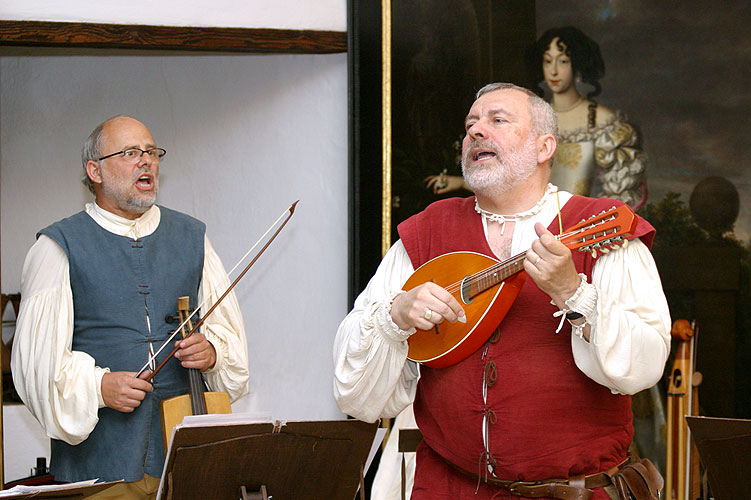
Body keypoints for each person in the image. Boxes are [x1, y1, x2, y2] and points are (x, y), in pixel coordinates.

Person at [334, 83, 670, 499]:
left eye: (497, 120)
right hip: (447, 490)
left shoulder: (599, 227)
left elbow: (643, 365)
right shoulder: (424, 233)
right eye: (470, 124)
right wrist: (396, 314)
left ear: (545, 146)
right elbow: (353, 390)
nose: (476, 131)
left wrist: (574, 294)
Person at [11, 116, 250, 500]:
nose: (146, 161)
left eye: (152, 152)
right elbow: (36, 368)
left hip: (188, 461)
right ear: (95, 171)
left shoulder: (192, 238)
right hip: (101, 472)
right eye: (130, 153)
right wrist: (99, 386)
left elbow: (229, 341)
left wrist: (213, 353)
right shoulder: (57, 246)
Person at [426, 27, 647, 211]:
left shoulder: (605, 122)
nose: (553, 71)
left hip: (583, 231)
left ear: (577, 65)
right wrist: (463, 181)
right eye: (547, 61)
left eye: (562, 62)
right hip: (528, 227)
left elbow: (621, 194)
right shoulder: (527, 116)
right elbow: (511, 179)